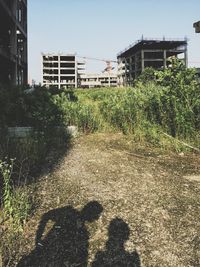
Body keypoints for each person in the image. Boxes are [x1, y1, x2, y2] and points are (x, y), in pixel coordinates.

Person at [17, 201, 103, 267]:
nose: (97, 218)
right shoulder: (70, 217)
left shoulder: (79, 226)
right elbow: (46, 216)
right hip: (54, 252)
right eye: (97, 215)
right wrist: (38, 239)